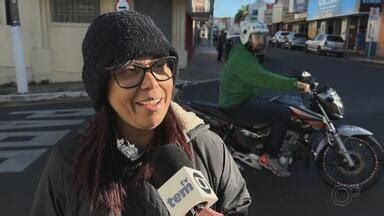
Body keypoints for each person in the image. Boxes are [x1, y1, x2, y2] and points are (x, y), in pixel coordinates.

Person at [31, 11, 250, 216]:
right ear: (102, 88)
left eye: (160, 64)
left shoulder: (208, 147)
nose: (151, 84)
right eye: (129, 70)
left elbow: (238, 207)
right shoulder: (69, 163)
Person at [219, 19, 311, 177]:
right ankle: (270, 157)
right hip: (237, 104)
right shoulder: (243, 58)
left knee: (275, 105)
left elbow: (262, 76)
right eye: (257, 38)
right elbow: (265, 79)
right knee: (283, 113)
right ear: (246, 37)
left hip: (243, 98)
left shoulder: (243, 52)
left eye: (263, 38)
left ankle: (263, 143)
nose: (261, 42)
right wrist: (295, 84)